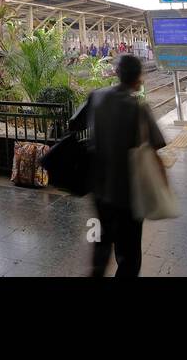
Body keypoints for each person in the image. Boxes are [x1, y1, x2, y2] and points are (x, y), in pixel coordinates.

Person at [69, 53, 166, 277]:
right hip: (129, 191)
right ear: (138, 78)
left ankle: (96, 272)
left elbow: (74, 123)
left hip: (100, 187)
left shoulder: (97, 96)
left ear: (116, 73)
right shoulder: (139, 106)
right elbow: (155, 145)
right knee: (129, 252)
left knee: (101, 239)